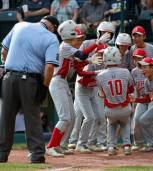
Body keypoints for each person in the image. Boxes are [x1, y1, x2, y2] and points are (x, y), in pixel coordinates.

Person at [0, 15, 60, 163]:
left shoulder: (19, 26)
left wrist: (9, 66)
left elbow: (3, 52)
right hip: (30, 81)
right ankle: (36, 156)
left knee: (5, 118)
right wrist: (45, 86)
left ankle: (1, 155)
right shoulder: (51, 37)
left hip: (8, 78)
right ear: (53, 27)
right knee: (32, 118)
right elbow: (49, 67)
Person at [45, 20, 110, 157]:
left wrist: (89, 61)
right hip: (57, 82)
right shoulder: (64, 46)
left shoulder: (67, 47)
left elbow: (77, 63)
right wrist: (96, 43)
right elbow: (81, 55)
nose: (78, 36)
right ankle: (51, 146)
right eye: (74, 32)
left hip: (62, 82)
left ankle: (61, 145)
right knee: (64, 118)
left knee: (73, 117)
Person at [96, 46, 134, 155]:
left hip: (110, 108)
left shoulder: (100, 75)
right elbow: (131, 89)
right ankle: (127, 146)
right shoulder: (126, 72)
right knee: (125, 124)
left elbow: (101, 95)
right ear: (118, 58)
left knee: (111, 125)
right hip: (124, 107)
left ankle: (111, 147)